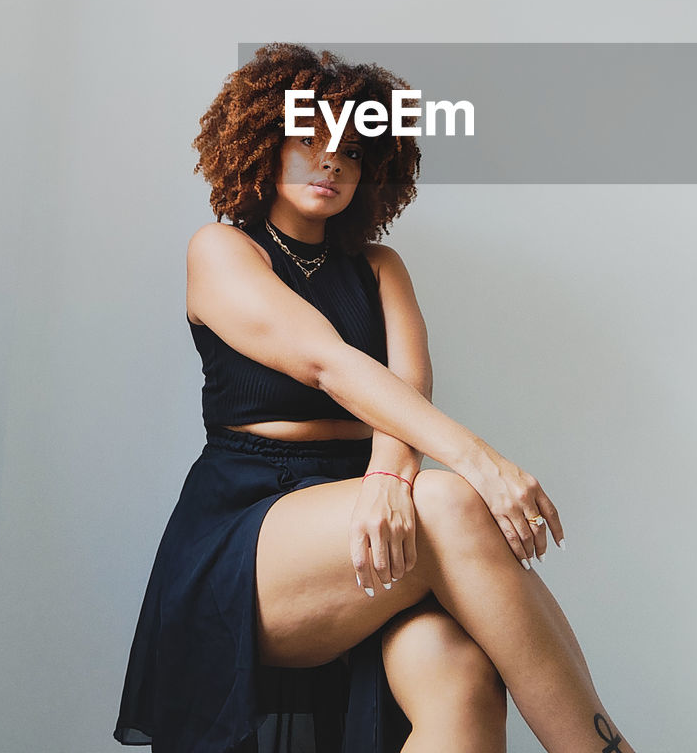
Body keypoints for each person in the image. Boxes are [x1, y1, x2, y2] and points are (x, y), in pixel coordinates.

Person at [114, 42, 637, 753]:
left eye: (353, 150)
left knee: (463, 681)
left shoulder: (382, 268)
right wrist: (480, 464)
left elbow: (403, 390)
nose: (332, 159)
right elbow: (328, 364)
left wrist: (390, 475)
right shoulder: (221, 251)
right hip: (249, 527)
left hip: (374, 503)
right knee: (451, 499)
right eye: (310, 138)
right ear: (264, 145)